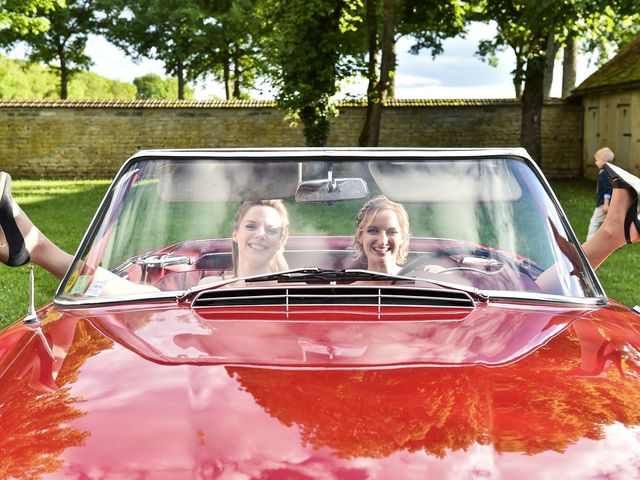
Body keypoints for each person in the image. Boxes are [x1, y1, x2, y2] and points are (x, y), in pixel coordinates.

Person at [0, 171, 290, 292]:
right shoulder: (210, 286)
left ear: (282, 239)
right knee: (119, 293)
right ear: (235, 233)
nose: (260, 234)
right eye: (251, 226)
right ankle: (38, 249)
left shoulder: (304, 289)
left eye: (271, 229)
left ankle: (37, 248)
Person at [353, 195, 411, 275]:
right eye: (373, 231)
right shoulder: (350, 287)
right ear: (359, 236)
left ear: (402, 237)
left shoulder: (421, 283)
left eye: (392, 232)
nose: (382, 241)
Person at [587, 147, 615, 240]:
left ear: (604, 161)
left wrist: (606, 204)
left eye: (597, 160)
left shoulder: (604, 174)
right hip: (607, 204)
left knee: (594, 222)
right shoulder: (608, 172)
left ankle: (589, 240)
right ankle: (613, 240)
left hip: (603, 205)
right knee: (610, 223)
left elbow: (608, 189)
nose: (595, 163)